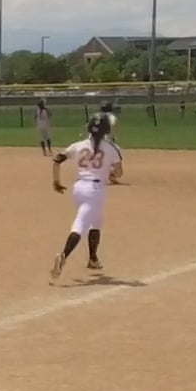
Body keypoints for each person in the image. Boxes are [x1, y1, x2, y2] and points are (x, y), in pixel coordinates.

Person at [49, 115, 124, 280]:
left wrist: (56, 182)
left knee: (96, 221)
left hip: (78, 188)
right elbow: (118, 172)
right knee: (80, 225)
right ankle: (63, 255)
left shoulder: (78, 145)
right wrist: (109, 173)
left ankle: (93, 259)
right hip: (95, 191)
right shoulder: (111, 148)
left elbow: (57, 159)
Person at [99, 101, 124, 183]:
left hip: (95, 141)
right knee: (118, 156)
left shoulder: (97, 116)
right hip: (108, 141)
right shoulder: (112, 117)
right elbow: (113, 125)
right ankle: (112, 174)